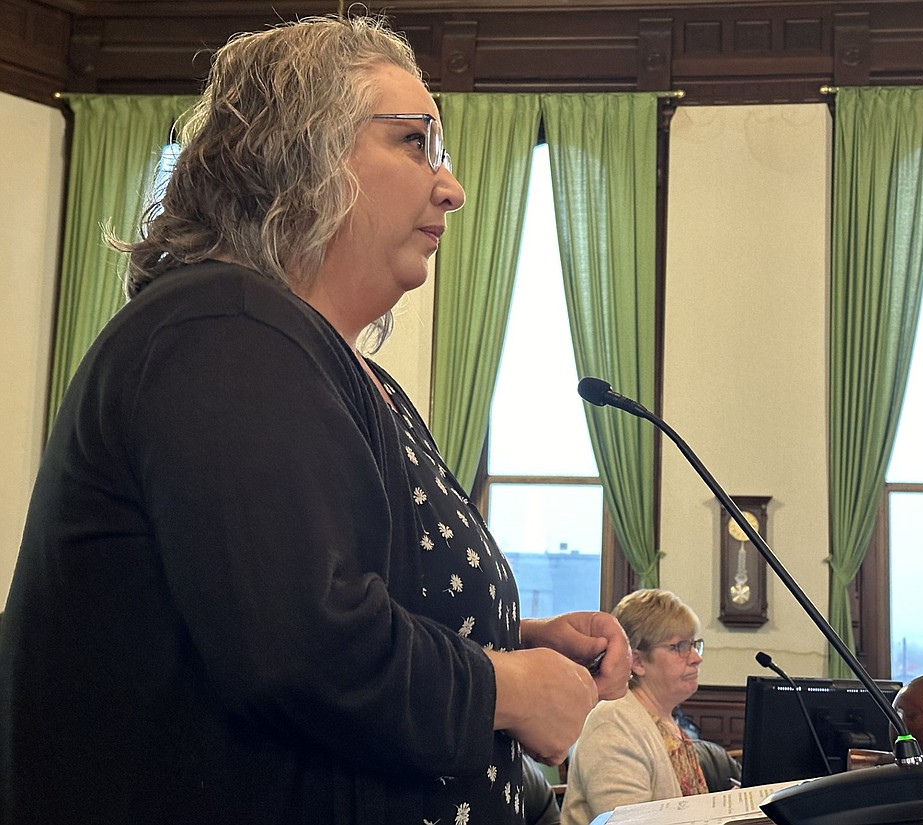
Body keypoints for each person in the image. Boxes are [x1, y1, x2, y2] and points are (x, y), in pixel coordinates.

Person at [0, 14, 630, 825]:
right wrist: (506, 687)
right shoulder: (220, 326)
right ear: (300, 152)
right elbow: (298, 645)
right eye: (415, 142)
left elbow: (332, 591)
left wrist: (507, 633)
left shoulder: (318, 358)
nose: (452, 185)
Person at [560, 589, 707, 825]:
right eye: (679, 646)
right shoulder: (612, 723)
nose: (695, 658)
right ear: (637, 662)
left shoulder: (665, 721)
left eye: (693, 644)